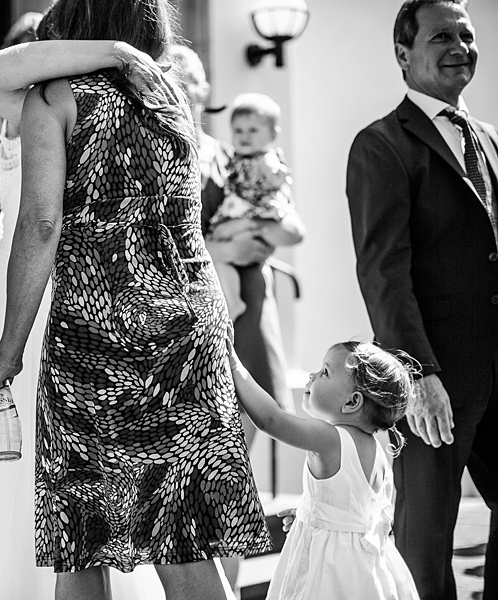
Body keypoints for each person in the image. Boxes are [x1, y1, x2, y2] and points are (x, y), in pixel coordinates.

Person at [0, 2, 272, 598]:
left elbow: (39, 224)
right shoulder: (169, 98)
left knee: (81, 546)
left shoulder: (54, 98)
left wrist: (9, 350)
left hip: (96, 336)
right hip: (189, 329)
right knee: (187, 542)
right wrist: (121, 52)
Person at [0, 13, 169, 600]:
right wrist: (121, 49)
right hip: (16, 287)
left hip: (82, 297)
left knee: (78, 478)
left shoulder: (95, 106)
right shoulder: (25, 104)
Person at [345, 2, 498, 598]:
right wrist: (419, 373)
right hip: (436, 371)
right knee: (426, 534)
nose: (460, 45)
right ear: (404, 55)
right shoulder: (382, 144)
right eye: (442, 35)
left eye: (467, 34)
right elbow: (383, 271)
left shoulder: (486, 138)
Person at [166, 44, 297, 596]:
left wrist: (250, 238)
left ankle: (230, 576)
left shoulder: (230, 154)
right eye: (173, 79)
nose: (185, 90)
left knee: (233, 458)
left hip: (243, 302)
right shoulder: (150, 148)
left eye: (193, 82)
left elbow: (290, 227)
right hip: (188, 311)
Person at [230, 340, 421, 599]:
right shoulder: (376, 451)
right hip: (367, 570)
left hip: (328, 568)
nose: (313, 375)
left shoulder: (330, 438)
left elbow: (271, 419)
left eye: (325, 372)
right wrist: (314, 514)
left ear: (352, 402)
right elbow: (352, 513)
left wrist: (234, 364)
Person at [207, 93, 305, 320]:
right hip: (238, 212)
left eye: (253, 130)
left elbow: (274, 174)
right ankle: (233, 302)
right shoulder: (235, 158)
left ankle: (232, 302)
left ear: (272, 135)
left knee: (224, 246)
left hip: (256, 210)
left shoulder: (264, 158)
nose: (244, 136)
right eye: (238, 130)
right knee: (223, 259)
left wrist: (276, 174)